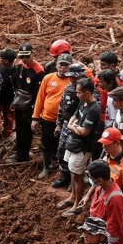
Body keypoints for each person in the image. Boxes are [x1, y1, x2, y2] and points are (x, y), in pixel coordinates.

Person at [59, 79, 104, 214]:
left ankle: (77, 205)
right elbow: (74, 116)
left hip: (83, 148)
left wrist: (72, 127)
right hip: (74, 143)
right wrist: (73, 125)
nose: (77, 94)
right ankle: (73, 197)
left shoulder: (94, 109)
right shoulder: (83, 102)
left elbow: (85, 132)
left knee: (78, 175)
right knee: (73, 172)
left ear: (87, 93)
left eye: (79, 92)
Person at [32, 55, 71, 178]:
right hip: (48, 118)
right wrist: (35, 117)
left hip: (65, 121)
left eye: (66, 65)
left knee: (63, 144)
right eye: (61, 65)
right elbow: (40, 98)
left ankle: (62, 168)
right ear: (56, 65)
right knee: (46, 143)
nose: (63, 68)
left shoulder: (73, 80)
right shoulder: (48, 78)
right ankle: (46, 166)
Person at [53, 60, 89, 189]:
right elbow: (62, 106)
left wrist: (77, 126)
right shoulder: (68, 87)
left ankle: (74, 181)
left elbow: (87, 111)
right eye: (71, 77)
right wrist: (59, 124)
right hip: (66, 124)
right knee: (62, 151)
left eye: (75, 77)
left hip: (78, 126)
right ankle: (65, 176)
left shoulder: (88, 90)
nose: (72, 79)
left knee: (75, 153)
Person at [83, 127, 123, 211]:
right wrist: (88, 196)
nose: (103, 146)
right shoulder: (106, 156)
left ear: (117, 143)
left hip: (114, 203)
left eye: (107, 144)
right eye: (103, 143)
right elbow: (98, 180)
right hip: (103, 197)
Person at [10, 43, 46, 163]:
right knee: (19, 128)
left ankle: (23, 155)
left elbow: (39, 93)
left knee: (26, 131)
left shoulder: (38, 71)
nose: (24, 59)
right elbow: (18, 85)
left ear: (32, 54)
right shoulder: (20, 66)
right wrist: (14, 100)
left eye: (27, 56)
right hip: (19, 101)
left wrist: (36, 110)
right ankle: (19, 151)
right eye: (22, 57)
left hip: (30, 104)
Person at [83, 161, 123, 244]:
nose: (90, 180)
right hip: (96, 235)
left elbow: (113, 227)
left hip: (104, 242)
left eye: (91, 178)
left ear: (99, 180)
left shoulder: (114, 199)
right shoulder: (100, 187)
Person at [0, 48, 19, 139]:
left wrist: (14, 101)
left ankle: (7, 136)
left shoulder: (16, 73)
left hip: (9, 101)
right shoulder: (1, 66)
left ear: (6, 61)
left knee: (8, 119)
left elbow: (18, 89)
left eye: (1, 58)